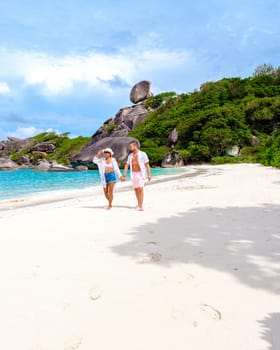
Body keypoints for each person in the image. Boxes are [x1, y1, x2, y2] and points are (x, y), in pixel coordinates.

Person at [121, 141, 152, 211]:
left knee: (140, 188)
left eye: (131, 146)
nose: (130, 148)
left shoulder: (143, 154)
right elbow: (127, 165)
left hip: (141, 173)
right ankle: (138, 203)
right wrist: (124, 175)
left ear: (135, 146)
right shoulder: (130, 155)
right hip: (133, 174)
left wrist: (149, 174)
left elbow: (147, 164)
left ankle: (141, 206)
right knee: (136, 189)